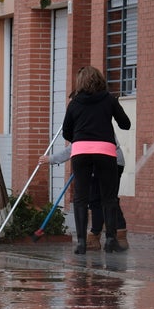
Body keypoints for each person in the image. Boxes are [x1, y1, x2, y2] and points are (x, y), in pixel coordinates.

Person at [62, 65, 131, 254]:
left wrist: (80, 135)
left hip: (81, 152)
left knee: (81, 198)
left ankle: (82, 243)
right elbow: (126, 124)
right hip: (105, 151)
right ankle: (110, 240)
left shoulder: (74, 103)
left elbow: (66, 131)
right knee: (108, 198)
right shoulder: (108, 99)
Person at [40, 143, 104, 247]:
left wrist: (51, 159)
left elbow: (72, 148)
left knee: (95, 200)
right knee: (101, 200)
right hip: (98, 163)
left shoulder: (85, 130)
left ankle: (94, 237)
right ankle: (105, 236)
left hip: (98, 165)